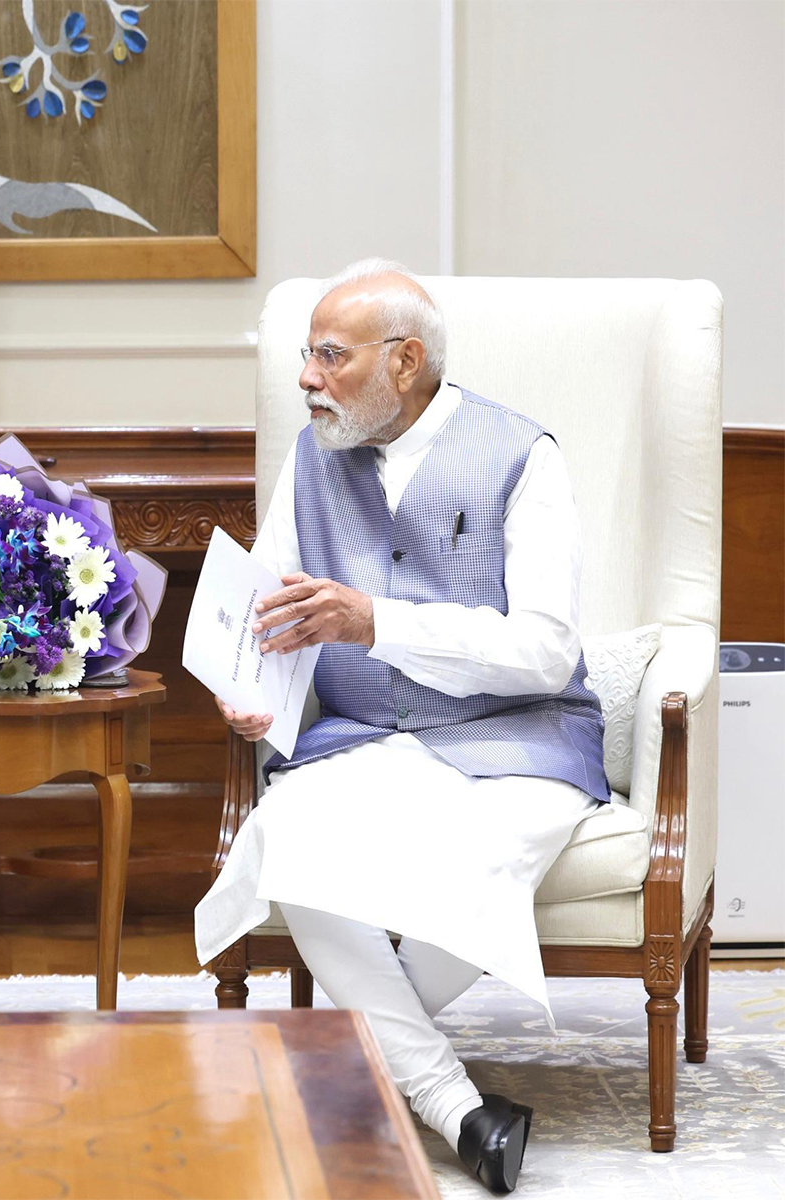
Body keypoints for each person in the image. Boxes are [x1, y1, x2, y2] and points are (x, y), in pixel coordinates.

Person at [195, 259, 607, 1195]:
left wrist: (375, 621)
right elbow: (269, 614)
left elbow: (546, 652)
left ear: (406, 362)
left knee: (480, 862)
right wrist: (249, 689)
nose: (306, 377)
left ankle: (344, 1073)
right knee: (292, 847)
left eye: (330, 357)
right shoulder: (312, 455)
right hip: (367, 740)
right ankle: (462, 1111)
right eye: (306, 355)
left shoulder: (523, 456)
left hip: (521, 741)